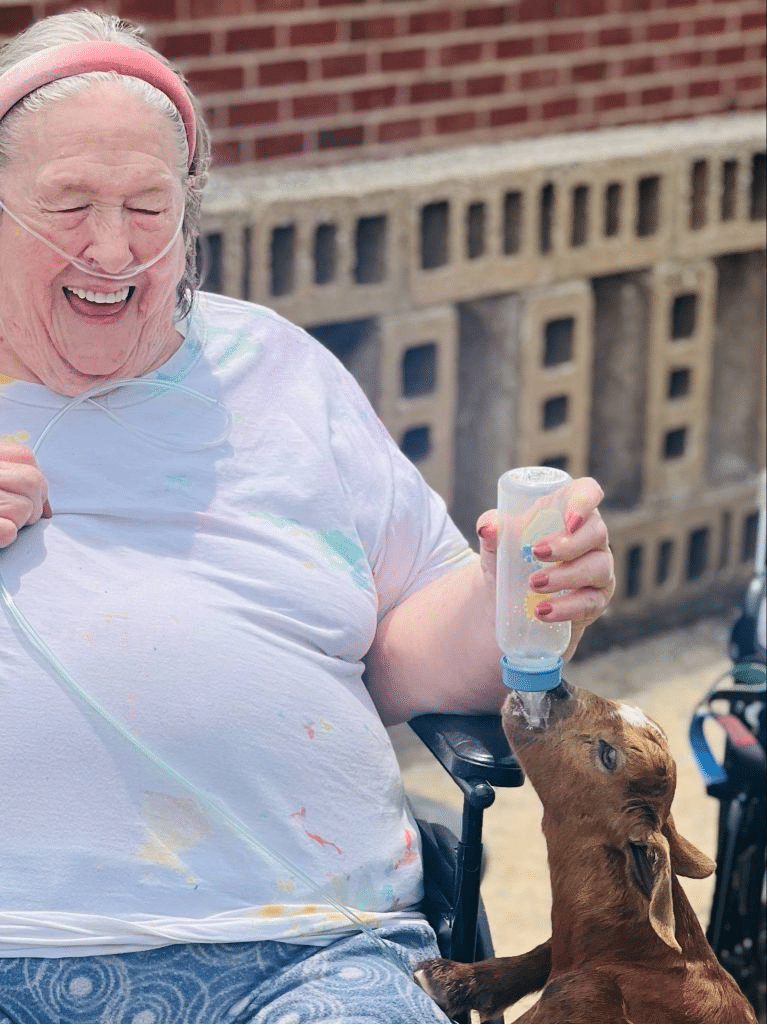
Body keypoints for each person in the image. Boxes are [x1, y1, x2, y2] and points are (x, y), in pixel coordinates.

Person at [0, 11, 615, 1024]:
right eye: (68, 205)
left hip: (311, 951)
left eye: (148, 207)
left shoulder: (274, 370)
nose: (113, 249)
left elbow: (405, 650)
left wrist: (519, 594)